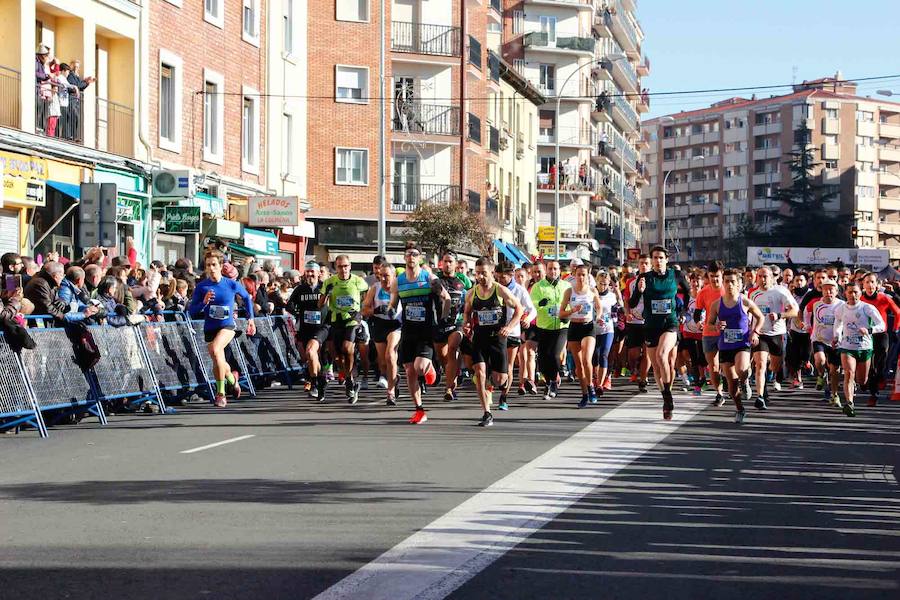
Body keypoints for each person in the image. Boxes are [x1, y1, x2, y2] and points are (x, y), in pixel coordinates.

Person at [390, 245, 451, 424]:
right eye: (408, 254)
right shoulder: (398, 281)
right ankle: (419, 410)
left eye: (415, 254)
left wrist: (444, 318)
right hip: (408, 330)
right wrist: (389, 311)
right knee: (409, 371)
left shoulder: (429, 278)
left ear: (420, 258)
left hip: (426, 329)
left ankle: (432, 368)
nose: (411, 257)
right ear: (404, 258)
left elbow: (446, 298)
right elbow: (394, 303)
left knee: (419, 367)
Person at [628, 246, 689, 420]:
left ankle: (668, 394)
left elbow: (688, 293)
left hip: (670, 323)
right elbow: (632, 303)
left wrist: (683, 313)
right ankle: (665, 396)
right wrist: (639, 291)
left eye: (661, 257)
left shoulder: (676, 275)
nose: (658, 260)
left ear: (666, 259)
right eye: (655, 257)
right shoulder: (644, 277)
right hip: (651, 325)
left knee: (663, 356)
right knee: (656, 365)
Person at [188, 251, 256, 408]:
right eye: (208, 265)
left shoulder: (231, 284)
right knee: (219, 360)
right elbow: (192, 312)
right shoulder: (201, 287)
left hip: (228, 326)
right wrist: (204, 303)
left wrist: (250, 319)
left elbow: (246, 297)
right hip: (210, 328)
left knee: (217, 350)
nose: (211, 268)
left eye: (214, 265)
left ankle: (221, 394)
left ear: (220, 266)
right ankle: (232, 380)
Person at [462, 257, 522, 427]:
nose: (480, 277)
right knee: (479, 372)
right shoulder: (471, 293)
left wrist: (509, 327)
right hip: (480, 336)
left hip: (498, 337)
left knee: (500, 379)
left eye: (484, 273)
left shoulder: (500, 290)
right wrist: (466, 324)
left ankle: (491, 384)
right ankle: (486, 413)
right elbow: (466, 312)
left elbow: (519, 309)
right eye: (478, 273)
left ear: (492, 273)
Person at [706, 269, 764, 424]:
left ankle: (745, 381)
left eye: (733, 281)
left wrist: (755, 332)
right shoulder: (717, 304)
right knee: (731, 386)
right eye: (727, 281)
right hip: (725, 346)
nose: (729, 284)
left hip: (742, 344)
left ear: (739, 284)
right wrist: (716, 326)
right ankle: (740, 409)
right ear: (723, 284)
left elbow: (760, 317)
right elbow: (709, 324)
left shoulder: (745, 302)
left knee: (742, 369)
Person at [832, 280, 885, 417]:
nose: (852, 295)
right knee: (849, 373)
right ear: (845, 294)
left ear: (860, 293)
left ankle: (859, 384)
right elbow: (837, 323)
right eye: (850, 292)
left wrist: (869, 330)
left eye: (855, 292)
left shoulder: (867, 308)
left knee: (862, 380)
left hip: (865, 347)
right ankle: (849, 403)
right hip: (847, 346)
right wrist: (837, 336)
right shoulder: (841, 308)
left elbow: (882, 325)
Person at [320, 255, 369, 403]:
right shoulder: (330, 282)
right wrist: (327, 294)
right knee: (337, 356)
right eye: (340, 266)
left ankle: (349, 380)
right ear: (336, 267)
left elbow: (368, 293)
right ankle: (350, 379)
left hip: (352, 319)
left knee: (348, 348)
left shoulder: (358, 281)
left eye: (346, 266)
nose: (343, 269)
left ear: (350, 266)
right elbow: (320, 305)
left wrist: (362, 309)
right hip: (336, 320)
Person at [748, 266, 798, 410]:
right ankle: (760, 396)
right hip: (760, 334)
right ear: (756, 278)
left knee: (774, 366)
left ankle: (771, 374)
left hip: (777, 333)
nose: (763, 280)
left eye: (766, 276)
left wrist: (780, 315)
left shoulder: (780, 291)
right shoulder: (753, 294)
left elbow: (795, 311)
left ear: (772, 277)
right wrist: (752, 331)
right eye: (760, 276)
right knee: (760, 364)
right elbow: (749, 315)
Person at [560, 262, 602, 408]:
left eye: (584, 275)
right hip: (574, 327)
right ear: (574, 275)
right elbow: (561, 313)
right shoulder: (569, 292)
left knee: (586, 360)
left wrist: (598, 317)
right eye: (579, 275)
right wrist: (572, 311)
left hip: (588, 327)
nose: (581, 277)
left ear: (588, 276)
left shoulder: (592, 291)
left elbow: (599, 307)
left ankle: (591, 386)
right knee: (578, 365)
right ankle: (584, 394)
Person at [286, 261, 329, 402]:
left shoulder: (325, 287)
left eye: (313, 271)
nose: (310, 274)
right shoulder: (300, 289)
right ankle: (318, 378)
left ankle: (315, 383)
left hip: (321, 327)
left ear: (318, 273)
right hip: (306, 327)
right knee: (310, 357)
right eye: (308, 271)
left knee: (311, 352)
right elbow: (289, 305)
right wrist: (298, 311)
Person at [495, 261, 535, 411]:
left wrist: (527, 319)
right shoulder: (495, 288)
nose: (500, 280)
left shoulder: (519, 290)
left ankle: (503, 397)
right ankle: (492, 386)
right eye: (498, 277)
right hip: (495, 331)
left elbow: (532, 310)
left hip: (512, 332)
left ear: (511, 275)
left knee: (508, 365)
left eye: (503, 278)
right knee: (494, 364)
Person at [530, 260, 571, 400]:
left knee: (554, 354)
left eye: (555, 269)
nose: (553, 271)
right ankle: (548, 382)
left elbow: (573, 303)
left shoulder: (566, 286)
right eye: (550, 269)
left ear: (559, 270)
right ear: (546, 270)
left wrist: (568, 314)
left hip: (561, 326)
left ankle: (553, 381)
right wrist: (540, 304)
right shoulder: (538, 286)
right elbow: (532, 304)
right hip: (543, 327)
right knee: (543, 358)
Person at [363, 262, 402, 405]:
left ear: (394, 276)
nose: (384, 279)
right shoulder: (375, 288)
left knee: (390, 354)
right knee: (383, 362)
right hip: (380, 324)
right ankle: (394, 378)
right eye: (381, 276)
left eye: (387, 276)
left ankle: (390, 392)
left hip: (395, 325)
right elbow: (364, 309)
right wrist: (376, 311)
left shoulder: (400, 288)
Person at [433, 250, 470, 403]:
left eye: (450, 261)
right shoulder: (435, 281)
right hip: (439, 324)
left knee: (452, 349)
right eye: (445, 261)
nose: (447, 264)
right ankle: (453, 377)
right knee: (443, 358)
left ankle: (448, 388)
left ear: (455, 264)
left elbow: (468, 302)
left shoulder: (462, 283)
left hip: (457, 323)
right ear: (441, 263)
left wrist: (467, 318)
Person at [859, 272, 900, 406]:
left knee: (880, 364)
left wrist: (895, 329)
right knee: (868, 365)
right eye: (867, 282)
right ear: (863, 284)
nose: (870, 285)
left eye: (872, 282)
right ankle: (871, 389)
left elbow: (897, 312)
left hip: (881, 334)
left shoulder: (884, 298)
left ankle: (875, 387)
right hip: (865, 335)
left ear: (877, 285)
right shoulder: (859, 299)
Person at [805, 279, 844, 406]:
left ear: (836, 291)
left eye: (831, 289)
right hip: (819, 338)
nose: (828, 292)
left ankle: (834, 395)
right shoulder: (815, 303)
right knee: (820, 361)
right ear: (821, 291)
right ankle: (821, 374)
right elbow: (805, 312)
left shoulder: (842, 305)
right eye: (825, 289)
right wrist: (807, 326)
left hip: (836, 341)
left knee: (835, 371)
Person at [696, 261, 725, 405]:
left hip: (727, 333)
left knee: (727, 365)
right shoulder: (703, 292)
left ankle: (736, 383)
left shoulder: (729, 289)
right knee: (713, 367)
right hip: (709, 333)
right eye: (711, 276)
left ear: (722, 275)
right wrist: (698, 322)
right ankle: (719, 393)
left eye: (717, 276)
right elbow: (697, 312)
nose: (714, 279)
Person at [623, 254, 651, 392]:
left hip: (649, 322)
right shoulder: (631, 282)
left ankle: (643, 379)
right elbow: (627, 300)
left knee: (647, 353)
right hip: (634, 321)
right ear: (638, 265)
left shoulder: (655, 281)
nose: (644, 265)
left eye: (646, 263)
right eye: (641, 263)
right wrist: (627, 312)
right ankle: (635, 366)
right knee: (633, 354)